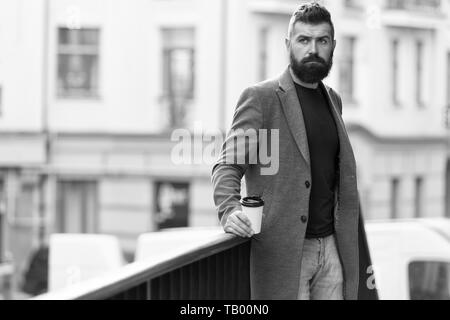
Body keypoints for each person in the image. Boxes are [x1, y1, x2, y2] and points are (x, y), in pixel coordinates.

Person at [212, 2, 367, 300]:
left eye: (322, 40)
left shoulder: (333, 100)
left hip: (332, 250)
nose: (313, 49)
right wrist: (229, 209)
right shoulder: (261, 98)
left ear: (333, 46)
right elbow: (227, 165)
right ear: (288, 44)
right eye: (303, 40)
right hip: (284, 252)